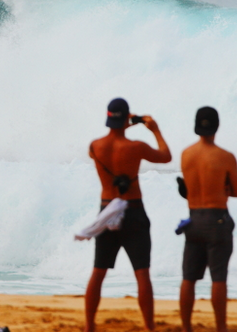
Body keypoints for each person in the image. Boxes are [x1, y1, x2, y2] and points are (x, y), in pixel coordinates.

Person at [85, 98, 172, 332]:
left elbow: (112, 140)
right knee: (142, 273)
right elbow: (166, 156)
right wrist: (154, 129)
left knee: (98, 272)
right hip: (133, 210)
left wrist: (123, 123)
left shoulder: (95, 147)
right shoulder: (137, 147)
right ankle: (150, 327)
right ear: (126, 118)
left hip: (106, 210)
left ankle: (89, 326)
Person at [179, 107, 237, 332]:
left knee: (189, 278)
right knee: (218, 278)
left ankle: (186, 327)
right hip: (216, 219)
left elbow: (189, 188)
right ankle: (221, 328)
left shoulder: (186, 154)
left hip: (193, 219)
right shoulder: (225, 157)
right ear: (217, 126)